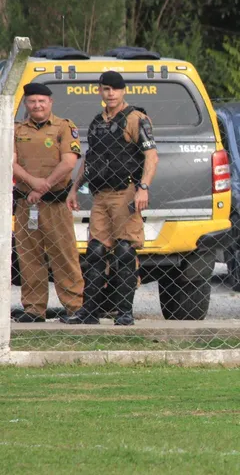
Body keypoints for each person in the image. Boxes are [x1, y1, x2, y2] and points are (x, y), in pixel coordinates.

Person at [62, 71, 158, 326]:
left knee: (125, 252)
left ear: (123, 91)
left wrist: (144, 187)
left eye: (115, 89)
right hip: (100, 195)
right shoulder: (97, 122)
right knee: (94, 252)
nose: (111, 93)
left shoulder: (136, 119)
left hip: (126, 192)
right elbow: (90, 159)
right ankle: (90, 312)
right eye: (106, 89)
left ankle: (124, 312)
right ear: (100, 92)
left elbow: (151, 156)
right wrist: (74, 188)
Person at [10, 83, 84, 322]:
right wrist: (33, 183)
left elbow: (68, 163)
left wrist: (43, 188)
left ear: (50, 102)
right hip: (26, 203)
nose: (37, 105)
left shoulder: (64, 127)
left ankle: (75, 307)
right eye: (32, 101)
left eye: (42, 101)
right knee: (29, 256)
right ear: (26, 104)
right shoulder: (16, 129)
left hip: (54, 203)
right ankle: (33, 308)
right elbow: (11, 162)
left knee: (63, 255)